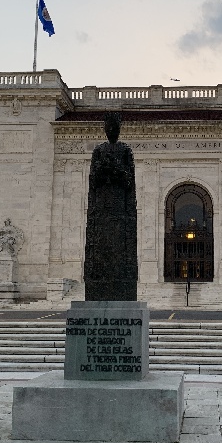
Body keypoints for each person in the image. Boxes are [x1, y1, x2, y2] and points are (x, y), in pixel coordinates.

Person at [83, 112, 138, 301]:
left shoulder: (125, 150)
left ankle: (122, 279)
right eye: (108, 126)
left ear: (119, 129)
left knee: (120, 247)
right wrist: (103, 169)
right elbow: (93, 179)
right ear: (105, 128)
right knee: (100, 246)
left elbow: (129, 180)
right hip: (101, 208)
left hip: (120, 207)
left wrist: (115, 169)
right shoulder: (98, 151)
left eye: (115, 126)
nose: (111, 129)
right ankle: (97, 280)